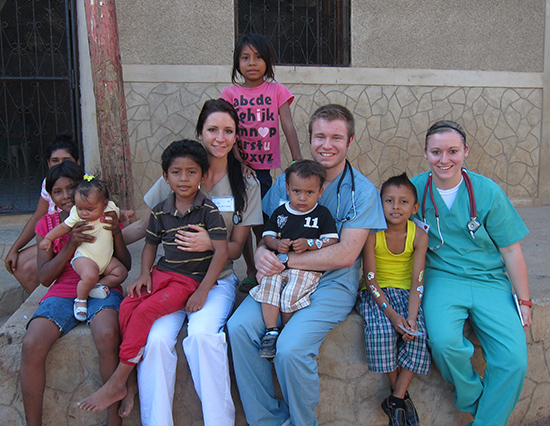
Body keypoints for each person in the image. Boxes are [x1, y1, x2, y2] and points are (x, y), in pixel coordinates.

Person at [227, 104, 387, 426]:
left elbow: (345, 255)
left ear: (350, 141)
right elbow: (268, 235)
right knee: (240, 328)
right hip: (281, 279)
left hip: (331, 282)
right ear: (310, 139)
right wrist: (261, 255)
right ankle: (266, 421)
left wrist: (286, 259)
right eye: (320, 136)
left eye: (336, 137)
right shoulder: (290, 181)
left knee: (290, 349)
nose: (327, 145)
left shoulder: (362, 192)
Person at [124, 99, 262, 426]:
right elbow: (145, 227)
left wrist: (208, 243)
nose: (220, 137)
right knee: (156, 340)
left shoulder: (247, 184)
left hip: (216, 281)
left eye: (228, 131)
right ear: (200, 132)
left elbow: (238, 245)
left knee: (202, 336)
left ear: (236, 137)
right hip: (170, 278)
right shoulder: (180, 171)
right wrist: (104, 237)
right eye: (212, 129)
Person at [77, 139, 229, 413]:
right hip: (162, 274)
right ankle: (131, 382)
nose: (184, 178)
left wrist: (203, 290)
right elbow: (150, 244)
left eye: (192, 172)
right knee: (127, 305)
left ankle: (118, 380)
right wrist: (144, 274)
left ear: (203, 176)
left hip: (188, 281)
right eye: (176, 172)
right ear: (165, 176)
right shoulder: (160, 210)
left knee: (146, 311)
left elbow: (220, 253)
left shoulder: (208, 211)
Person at [410, 120, 531, 426]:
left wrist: (525, 301)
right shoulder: (413, 191)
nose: (444, 159)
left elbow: (511, 250)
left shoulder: (488, 191)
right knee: (444, 342)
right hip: (443, 278)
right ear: (425, 153)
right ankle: (474, 398)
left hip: (490, 280)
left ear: (466, 151)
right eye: (436, 152)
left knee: (513, 359)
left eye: (452, 151)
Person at [20, 160, 131, 426]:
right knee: (31, 343)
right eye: (58, 191)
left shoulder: (101, 212)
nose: (66, 196)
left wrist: (116, 232)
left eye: (71, 188)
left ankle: (114, 421)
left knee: (107, 333)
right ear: (51, 197)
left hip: (102, 284)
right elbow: (45, 277)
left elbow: (125, 264)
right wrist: (72, 242)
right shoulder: (47, 225)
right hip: (62, 289)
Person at [220, 33, 302, 289]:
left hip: (264, 171)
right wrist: (237, 162)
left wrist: (297, 160)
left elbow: (287, 125)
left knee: (263, 224)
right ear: (237, 63)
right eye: (245, 58)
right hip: (239, 171)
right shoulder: (230, 94)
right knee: (240, 224)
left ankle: (266, 266)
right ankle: (251, 270)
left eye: (258, 57)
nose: (252, 63)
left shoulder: (277, 90)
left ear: (268, 62)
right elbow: (227, 130)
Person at [357, 173, 430, 426]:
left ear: (415, 207)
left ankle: (396, 399)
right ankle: (400, 397)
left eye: (403, 202)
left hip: (407, 295)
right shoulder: (372, 234)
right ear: (380, 203)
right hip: (376, 295)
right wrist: (393, 316)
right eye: (389, 201)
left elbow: (417, 280)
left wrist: (410, 317)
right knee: (383, 332)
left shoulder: (419, 235)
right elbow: (370, 279)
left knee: (418, 335)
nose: (396, 207)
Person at [250, 159, 338, 358]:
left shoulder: (322, 214)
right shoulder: (281, 213)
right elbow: (268, 236)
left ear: (320, 192)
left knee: (290, 294)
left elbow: (331, 240)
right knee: (269, 286)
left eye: (310, 192)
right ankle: (271, 331)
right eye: (297, 191)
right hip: (279, 265)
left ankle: (287, 331)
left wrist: (310, 244)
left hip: (307, 269)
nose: (302, 198)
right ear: (287, 189)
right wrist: (275, 245)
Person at [39, 176, 130, 321]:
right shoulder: (76, 215)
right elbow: (63, 227)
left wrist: (125, 215)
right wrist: (48, 238)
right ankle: (80, 300)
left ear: (104, 204)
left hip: (105, 260)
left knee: (121, 273)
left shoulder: (109, 209)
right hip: (85, 257)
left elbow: (120, 213)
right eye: (80, 208)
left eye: (90, 209)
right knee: (90, 275)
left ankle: (97, 288)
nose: (84, 213)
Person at [5, 134, 79, 293]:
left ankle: (53, 295)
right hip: (52, 236)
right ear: (48, 163)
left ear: (77, 163)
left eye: (66, 160)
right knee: (18, 263)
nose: (60, 165)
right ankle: (43, 301)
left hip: (68, 238)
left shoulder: (81, 185)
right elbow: (38, 217)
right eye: (55, 161)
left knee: (32, 268)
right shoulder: (48, 184)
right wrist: (14, 248)